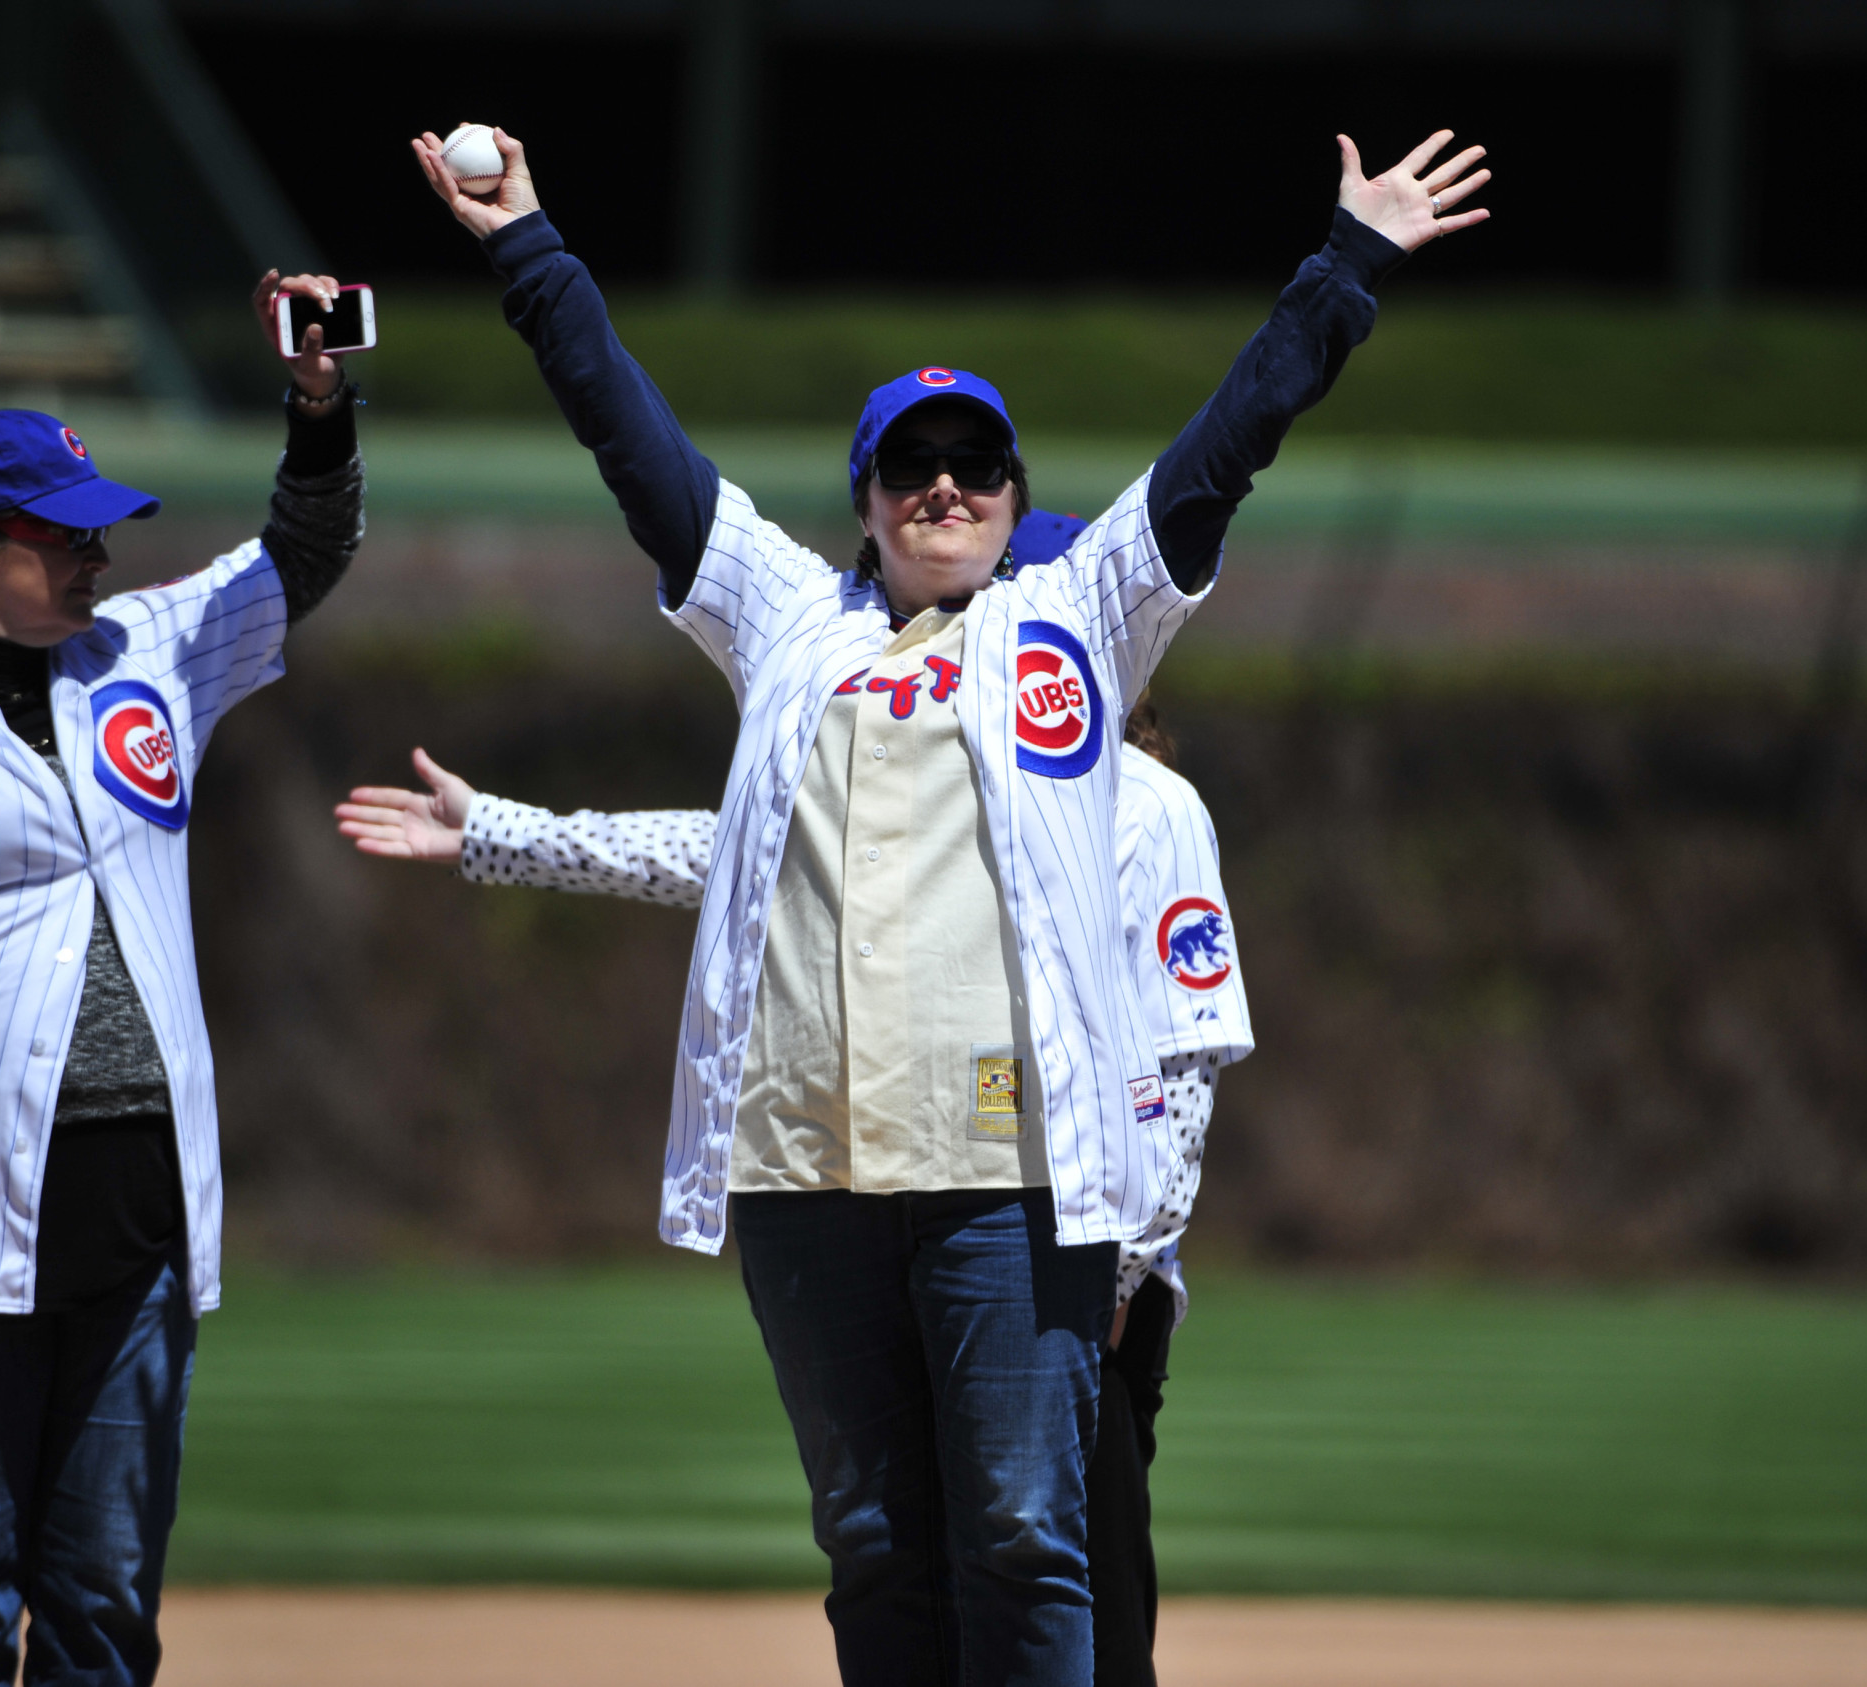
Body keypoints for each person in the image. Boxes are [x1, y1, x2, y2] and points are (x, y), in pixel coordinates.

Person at [406, 121, 1482, 1685]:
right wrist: (528, 247)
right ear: (863, 499)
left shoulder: (1074, 618)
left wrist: (1346, 269)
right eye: (910, 465)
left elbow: (1225, 445)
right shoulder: (785, 619)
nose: (946, 485)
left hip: (1011, 1172)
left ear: (1016, 488)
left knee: (1029, 1535)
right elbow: (632, 446)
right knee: (875, 1546)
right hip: (804, 1167)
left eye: (979, 461)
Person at [332, 681, 1252, 1687]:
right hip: (935, 1227)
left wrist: (1119, 1275)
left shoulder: (1144, 805)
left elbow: (1181, 1058)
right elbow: (734, 853)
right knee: (907, 1575)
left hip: (1072, 1267)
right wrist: (504, 834)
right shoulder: (929, 772)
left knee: (1075, 1600)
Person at [0, 272, 364, 1685]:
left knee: (101, 1597)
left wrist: (319, 399)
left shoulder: (139, 653)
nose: (97, 555)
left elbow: (303, 551)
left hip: (140, 1201)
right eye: (62, 534)